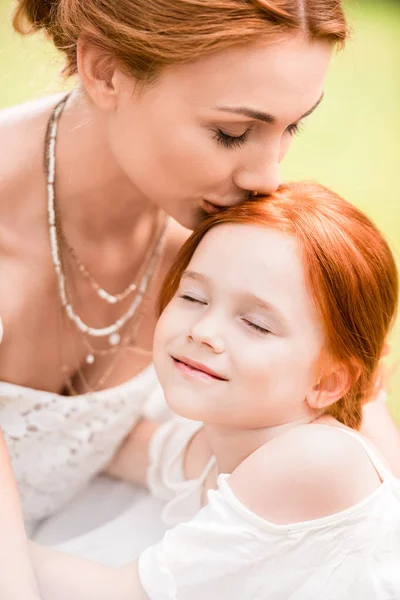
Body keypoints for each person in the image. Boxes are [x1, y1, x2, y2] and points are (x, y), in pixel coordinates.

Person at [1, 0, 399, 563]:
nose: (268, 177)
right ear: (106, 71)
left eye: (293, 127)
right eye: (232, 132)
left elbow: (378, 501)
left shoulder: (226, 247)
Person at [6, 180, 400, 599]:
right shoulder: (228, 439)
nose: (204, 331)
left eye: (256, 324)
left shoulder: (318, 457)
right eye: (193, 296)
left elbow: (121, 594)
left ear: (327, 382)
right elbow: (111, 446)